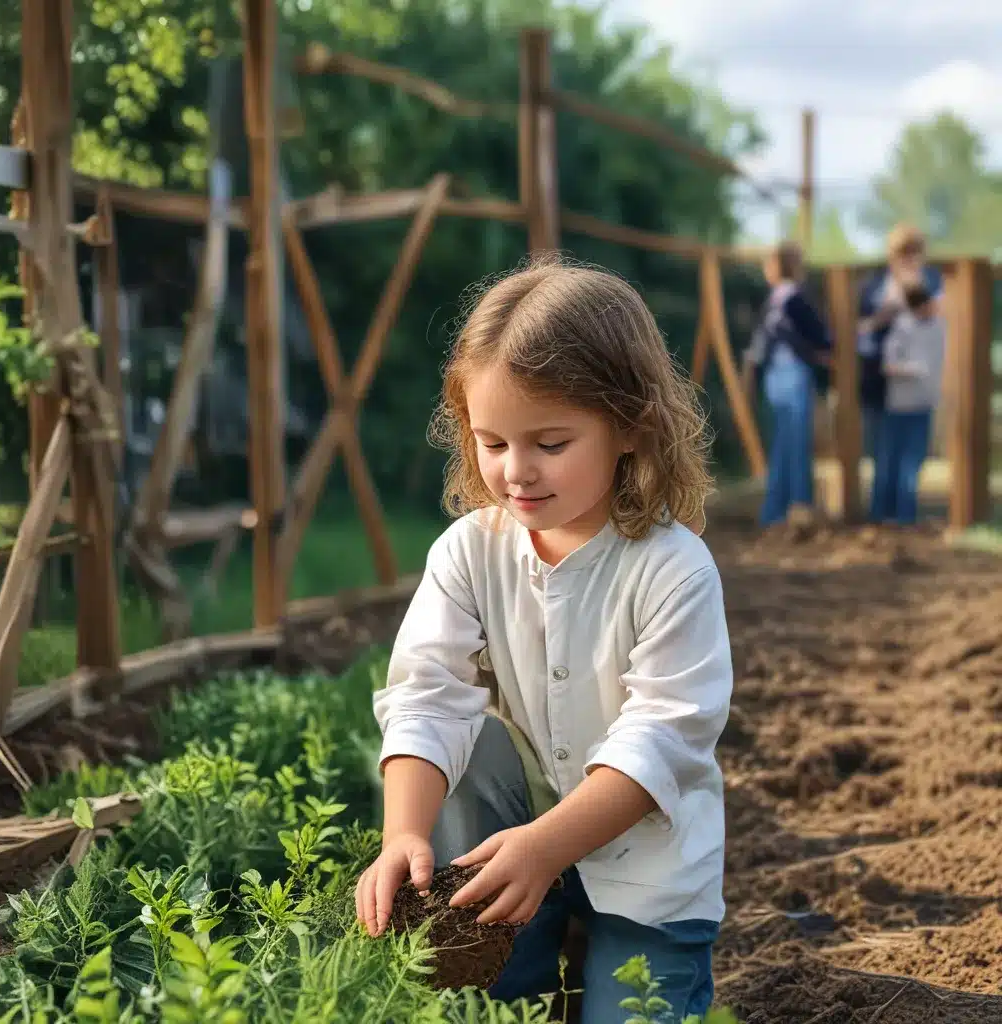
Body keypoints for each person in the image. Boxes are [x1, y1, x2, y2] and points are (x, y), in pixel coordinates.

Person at [355, 257, 733, 1023]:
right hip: (513, 849)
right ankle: (518, 958)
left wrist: (547, 847)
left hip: (651, 878)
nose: (515, 472)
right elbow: (427, 693)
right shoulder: (470, 551)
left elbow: (663, 736)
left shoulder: (672, 569)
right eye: (492, 443)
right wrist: (404, 833)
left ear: (629, 424)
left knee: (635, 1007)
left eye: (550, 444)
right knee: (465, 747)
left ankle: (585, 942)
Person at [743, 240, 832, 527]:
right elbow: (822, 338)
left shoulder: (775, 301)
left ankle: (775, 510)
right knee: (795, 443)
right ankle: (798, 506)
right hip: (793, 374)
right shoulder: (795, 298)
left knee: (783, 443)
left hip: (775, 377)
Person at [857, 223, 943, 472]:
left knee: (913, 456)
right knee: (880, 451)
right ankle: (883, 508)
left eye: (915, 251)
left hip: (918, 382)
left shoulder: (933, 283)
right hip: (880, 380)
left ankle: (904, 507)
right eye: (903, 252)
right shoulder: (873, 286)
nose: (909, 258)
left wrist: (917, 294)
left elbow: (942, 320)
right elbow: (856, 328)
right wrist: (882, 316)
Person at [868, 280, 945, 525]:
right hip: (900, 404)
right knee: (890, 460)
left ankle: (905, 516)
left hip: (923, 403)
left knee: (913, 463)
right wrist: (914, 370)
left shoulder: (939, 326)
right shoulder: (902, 327)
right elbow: (888, 365)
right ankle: (882, 513)